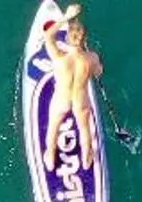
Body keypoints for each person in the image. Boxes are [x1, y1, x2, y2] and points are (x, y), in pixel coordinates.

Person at [41, 6, 104, 172]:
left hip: (62, 99)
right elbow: (98, 72)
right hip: (80, 100)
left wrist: (66, 17)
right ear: (84, 39)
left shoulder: (59, 57)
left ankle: (50, 157)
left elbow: (48, 36)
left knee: (53, 128)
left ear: (68, 37)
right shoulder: (91, 58)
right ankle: (86, 159)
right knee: (85, 130)